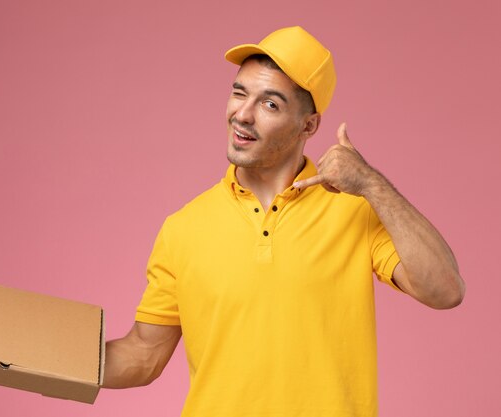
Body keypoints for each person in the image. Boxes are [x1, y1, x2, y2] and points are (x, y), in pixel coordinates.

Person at [102, 26, 465, 416]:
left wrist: (373, 185)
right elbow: (144, 354)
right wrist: (48, 355)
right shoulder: (183, 229)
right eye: (239, 93)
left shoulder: (354, 210)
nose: (242, 114)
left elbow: (445, 290)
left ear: (308, 126)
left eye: (269, 104)